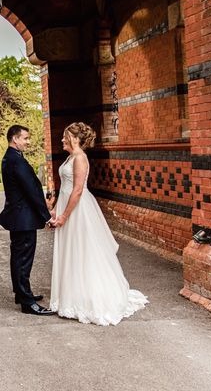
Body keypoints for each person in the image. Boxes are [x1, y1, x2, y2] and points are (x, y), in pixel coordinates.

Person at [48, 122, 148, 325]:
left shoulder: (80, 158)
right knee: (72, 251)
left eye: (65, 136)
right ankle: (72, 294)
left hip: (78, 210)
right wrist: (55, 209)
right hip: (67, 207)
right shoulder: (70, 157)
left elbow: (77, 191)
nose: (62, 140)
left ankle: (89, 297)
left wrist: (65, 216)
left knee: (84, 250)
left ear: (75, 139)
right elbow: (65, 189)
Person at [0, 125, 55, 316]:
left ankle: (22, 294)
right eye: (25, 138)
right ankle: (27, 303)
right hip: (23, 218)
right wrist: (47, 216)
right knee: (23, 259)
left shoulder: (12, 157)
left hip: (20, 217)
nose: (28, 142)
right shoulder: (16, 161)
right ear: (15, 139)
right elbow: (31, 191)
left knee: (19, 257)